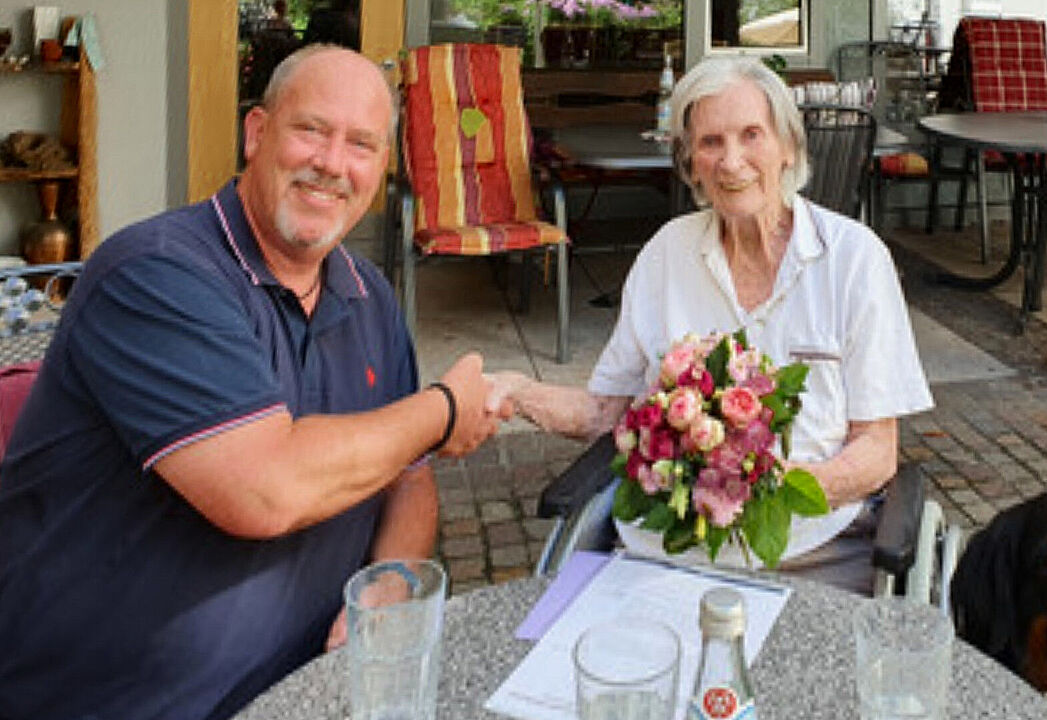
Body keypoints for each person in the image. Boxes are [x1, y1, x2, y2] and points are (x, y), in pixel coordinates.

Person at [0, 45, 507, 720]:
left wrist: (393, 577)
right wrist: (445, 410)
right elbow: (263, 487)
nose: (332, 163)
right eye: (311, 130)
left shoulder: (369, 296)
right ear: (257, 133)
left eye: (361, 144)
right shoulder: (155, 274)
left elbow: (407, 477)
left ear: (382, 167)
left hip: (302, 691)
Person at [493, 56, 933, 594]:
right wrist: (517, 391)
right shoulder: (666, 255)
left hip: (814, 549)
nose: (731, 162)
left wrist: (766, 491)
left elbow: (876, 451)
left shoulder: (854, 258)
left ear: (788, 147)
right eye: (710, 143)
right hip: (668, 549)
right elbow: (608, 409)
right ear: (690, 164)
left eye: (752, 135)